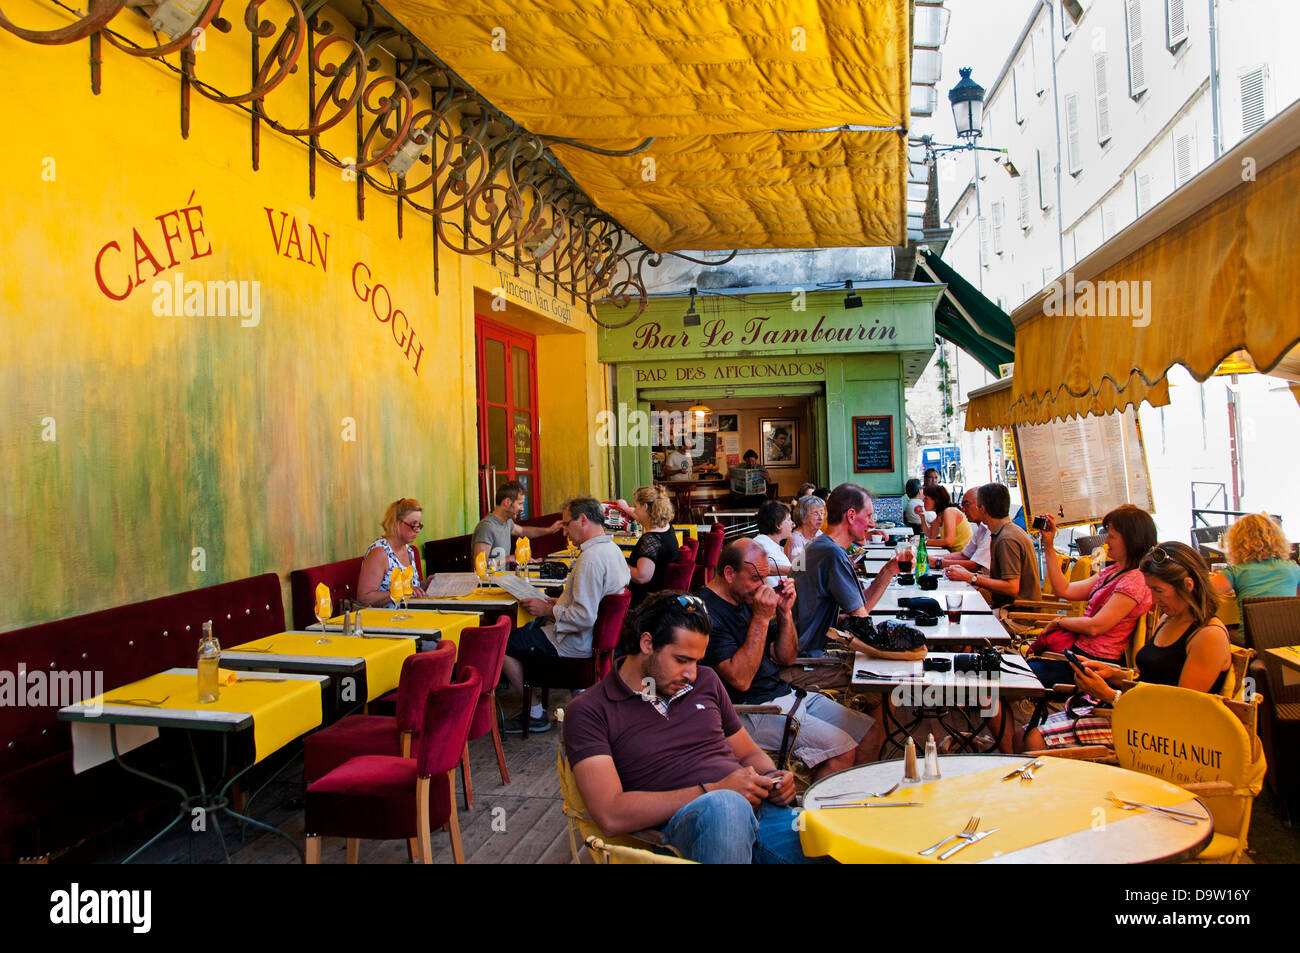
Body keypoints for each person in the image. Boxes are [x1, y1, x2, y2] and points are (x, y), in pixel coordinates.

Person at [562, 592, 816, 863]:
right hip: (686, 830)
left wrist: (773, 777)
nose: (692, 674)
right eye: (682, 660)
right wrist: (715, 789)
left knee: (840, 836)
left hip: (762, 813)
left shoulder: (706, 681)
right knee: (725, 809)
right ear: (647, 643)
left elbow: (749, 754)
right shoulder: (591, 709)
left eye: (697, 661)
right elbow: (610, 814)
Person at [1020, 541, 1232, 752]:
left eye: (1158, 590)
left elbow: (1179, 709)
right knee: (1023, 734)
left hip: (1159, 737)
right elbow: (1152, 679)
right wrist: (1112, 673)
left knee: (1034, 740)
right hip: (1136, 715)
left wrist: (1110, 695)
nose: (1154, 599)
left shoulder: (1208, 636)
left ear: (1188, 585)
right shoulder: (1169, 618)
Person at [698, 541, 883, 778]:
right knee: (841, 750)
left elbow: (786, 657)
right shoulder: (707, 612)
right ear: (729, 573)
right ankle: (818, 814)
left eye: (764, 578)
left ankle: (857, 804)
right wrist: (762, 619)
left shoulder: (746, 598)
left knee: (870, 731)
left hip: (785, 694)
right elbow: (741, 680)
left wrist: (784, 613)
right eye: (755, 578)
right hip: (750, 709)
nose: (761, 586)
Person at [501, 497, 631, 733]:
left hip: (574, 642)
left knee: (501, 645)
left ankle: (535, 711)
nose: (564, 533)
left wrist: (548, 610)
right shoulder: (612, 550)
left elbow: (583, 617)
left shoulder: (590, 559)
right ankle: (579, 697)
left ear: (582, 520)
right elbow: (595, 601)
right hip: (595, 641)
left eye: (566, 525)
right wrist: (561, 601)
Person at [1029, 505, 1157, 688]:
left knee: (1008, 675)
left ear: (1131, 541)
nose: (1105, 540)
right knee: (1004, 673)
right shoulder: (1116, 570)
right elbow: (1064, 590)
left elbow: (1095, 626)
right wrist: (1048, 545)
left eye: (1111, 536)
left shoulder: (1135, 581)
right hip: (1077, 653)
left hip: (1094, 665)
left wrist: (1060, 622)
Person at [793, 483, 900, 656]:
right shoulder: (832, 554)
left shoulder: (820, 546)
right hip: (810, 659)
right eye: (868, 516)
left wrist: (889, 570)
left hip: (807, 649)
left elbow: (860, 608)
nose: (872, 523)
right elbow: (862, 620)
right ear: (851, 516)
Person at [944, 483, 1041, 608]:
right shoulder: (1002, 531)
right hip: (1002, 606)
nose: (964, 509)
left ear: (982, 509)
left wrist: (971, 577)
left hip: (1015, 616)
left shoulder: (1006, 538)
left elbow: (1012, 588)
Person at [1210, 512, 1300, 620]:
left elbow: (1204, 593)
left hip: (1251, 635)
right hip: (1290, 634)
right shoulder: (1293, 568)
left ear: (1237, 542)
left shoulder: (1236, 572)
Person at [471, 481, 562, 567]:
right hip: (489, 583)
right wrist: (510, 559)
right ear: (507, 502)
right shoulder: (486, 527)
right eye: (520, 504)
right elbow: (480, 565)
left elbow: (523, 531)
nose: (522, 509)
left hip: (503, 580)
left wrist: (550, 530)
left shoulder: (507, 522)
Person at [358, 498, 429, 607]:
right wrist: (400, 592)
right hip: (386, 619)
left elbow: (410, 587)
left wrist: (425, 585)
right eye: (413, 525)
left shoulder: (409, 550)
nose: (417, 530)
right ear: (396, 523)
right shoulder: (380, 553)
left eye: (419, 525)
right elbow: (365, 598)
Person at [619, 485, 679, 607]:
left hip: (645, 603)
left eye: (636, 505)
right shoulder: (666, 527)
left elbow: (641, 577)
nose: (634, 510)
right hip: (663, 597)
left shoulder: (651, 539)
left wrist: (617, 563)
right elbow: (639, 517)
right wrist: (625, 508)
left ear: (645, 507)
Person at [933, 489, 991, 575]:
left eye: (966, 504)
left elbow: (974, 565)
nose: (963, 509)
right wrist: (932, 558)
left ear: (981, 505)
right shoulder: (981, 529)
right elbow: (964, 555)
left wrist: (938, 562)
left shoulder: (990, 530)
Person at [752, 501, 793, 585]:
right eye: (789, 520)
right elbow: (754, 567)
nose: (793, 524)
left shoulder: (773, 544)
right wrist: (793, 571)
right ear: (778, 524)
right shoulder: (761, 542)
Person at [922, 484, 972, 552]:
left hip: (963, 555)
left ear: (936, 500)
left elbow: (948, 542)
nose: (923, 501)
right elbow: (931, 536)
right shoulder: (939, 516)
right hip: (954, 554)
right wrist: (922, 517)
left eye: (926, 498)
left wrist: (923, 542)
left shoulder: (949, 511)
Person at [786, 495, 825, 570]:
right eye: (815, 514)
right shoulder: (796, 539)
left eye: (822, 513)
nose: (821, 518)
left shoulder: (818, 533)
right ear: (803, 517)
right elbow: (798, 571)